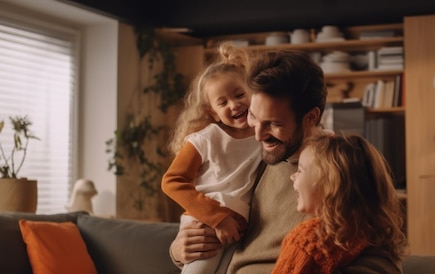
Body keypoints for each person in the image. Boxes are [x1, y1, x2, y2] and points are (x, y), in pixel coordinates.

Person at [169, 49, 403, 273]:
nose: (258, 135)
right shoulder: (258, 158)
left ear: (311, 117)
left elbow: (384, 261)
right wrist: (180, 250)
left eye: (273, 123)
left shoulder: (342, 169)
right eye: (254, 116)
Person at [161, 42, 261, 274]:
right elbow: (172, 181)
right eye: (222, 102)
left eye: (239, 95)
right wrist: (217, 218)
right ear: (212, 113)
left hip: (238, 228)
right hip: (204, 224)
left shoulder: (262, 136)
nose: (234, 104)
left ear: (252, 93)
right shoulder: (205, 139)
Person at [272, 133, 406, 273]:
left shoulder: (307, 243)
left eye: (300, 170)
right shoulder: (373, 237)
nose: (292, 176)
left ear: (329, 186)